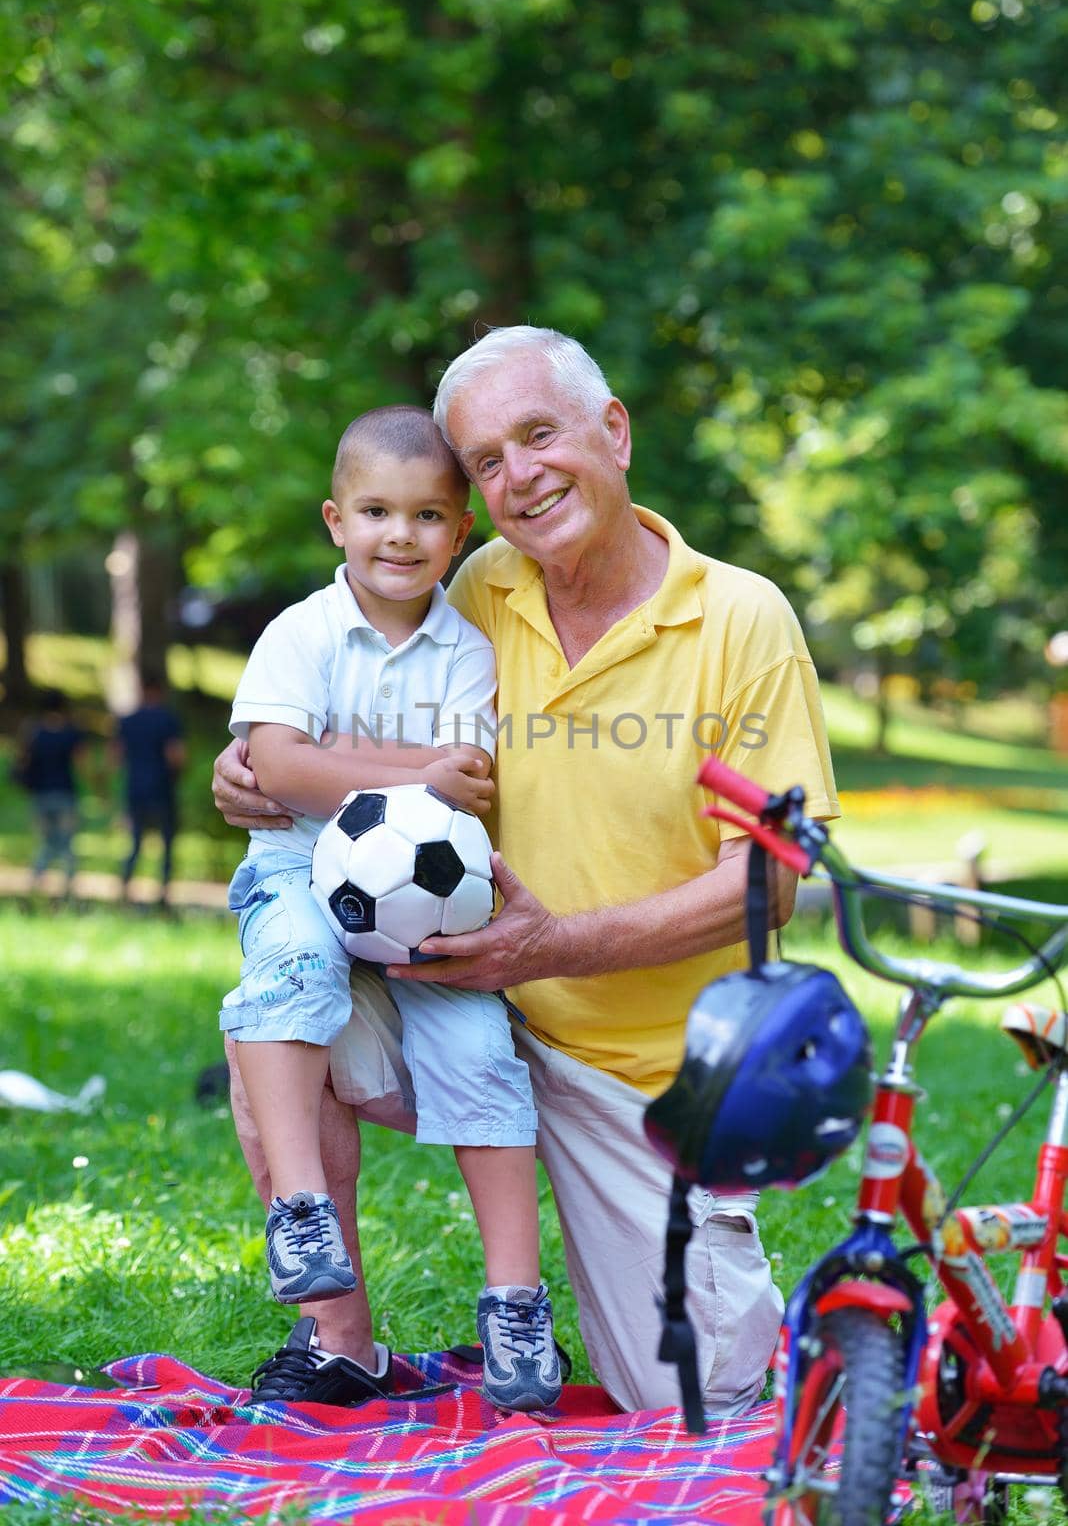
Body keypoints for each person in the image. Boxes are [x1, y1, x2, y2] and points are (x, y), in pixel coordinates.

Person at [213, 326, 840, 1416]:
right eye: (489, 461)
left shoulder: (742, 619)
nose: (520, 477)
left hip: (638, 1073)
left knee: (701, 1396)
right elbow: (347, 688)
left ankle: (597, 1292)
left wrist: (554, 945)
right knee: (276, 1010)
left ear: (615, 431)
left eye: (538, 435)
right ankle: (340, 1339)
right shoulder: (478, 589)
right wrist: (256, 767)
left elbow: (772, 881)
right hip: (449, 997)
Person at [220, 403, 561, 1414]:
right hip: (295, 874)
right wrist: (410, 768)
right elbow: (277, 767)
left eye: (425, 517)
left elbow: (462, 791)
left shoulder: (465, 650)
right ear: (335, 519)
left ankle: (515, 1302)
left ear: (461, 534)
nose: (398, 536)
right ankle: (302, 1209)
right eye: (375, 511)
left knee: (481, 1054)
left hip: (433, 899)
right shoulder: (300, 635)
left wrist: (339, 768)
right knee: (292, 973)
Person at [113, 675, 186, 907]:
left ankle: (124, 888)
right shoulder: (168, 720)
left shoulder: (128, 721)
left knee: (135, 842)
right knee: (166, 843)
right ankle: (163, 893)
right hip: (162, 789)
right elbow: (176, 755)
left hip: (136, 789)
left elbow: (115, 756)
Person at [14, 688, 87, 901]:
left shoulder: (33, 731)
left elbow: (22, 760)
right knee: (66, 845)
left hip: (40, 796)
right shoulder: (71, 732)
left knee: (46, 844)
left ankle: (34, 885)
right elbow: (81, 763)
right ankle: (69, 891)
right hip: (65, 794)